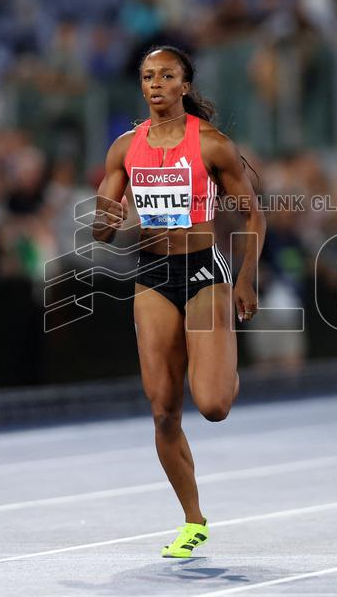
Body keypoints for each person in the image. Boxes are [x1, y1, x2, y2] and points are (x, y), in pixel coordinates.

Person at [93, 46, 265, 557]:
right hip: (151, 274)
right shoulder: (124, 148)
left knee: (212, 405)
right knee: (164, 411)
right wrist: (104, 222)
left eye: (166, 75)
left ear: (185, 86)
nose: (155, 84)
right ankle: (193, 520)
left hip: (204, 271)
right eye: (148, 76)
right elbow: (103, 223)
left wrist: (247, 278)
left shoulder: (211, 144)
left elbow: (253, 215)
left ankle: (223, 368)